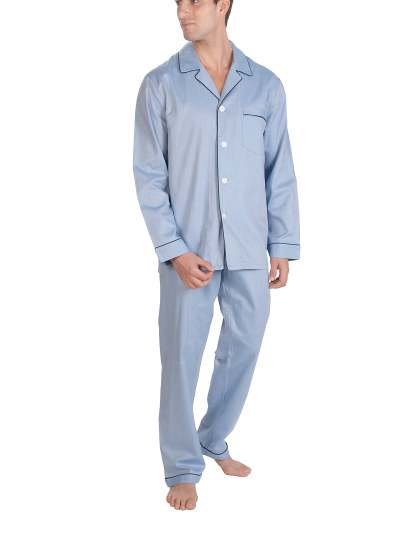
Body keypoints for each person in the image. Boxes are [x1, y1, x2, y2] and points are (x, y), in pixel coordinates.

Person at [132, 0, 300, 511]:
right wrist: (174, 251)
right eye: (178, 2)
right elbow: (149, 176)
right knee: (181, 358)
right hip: (190, 251)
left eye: (195, 0)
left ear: (224, 4)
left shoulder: (266, 86)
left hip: (249, 245)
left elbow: (279, 169)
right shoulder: (161, 84)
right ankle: (183, 467)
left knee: (245, 346)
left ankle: (212, 437)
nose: (182, 11)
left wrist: (282, 244)